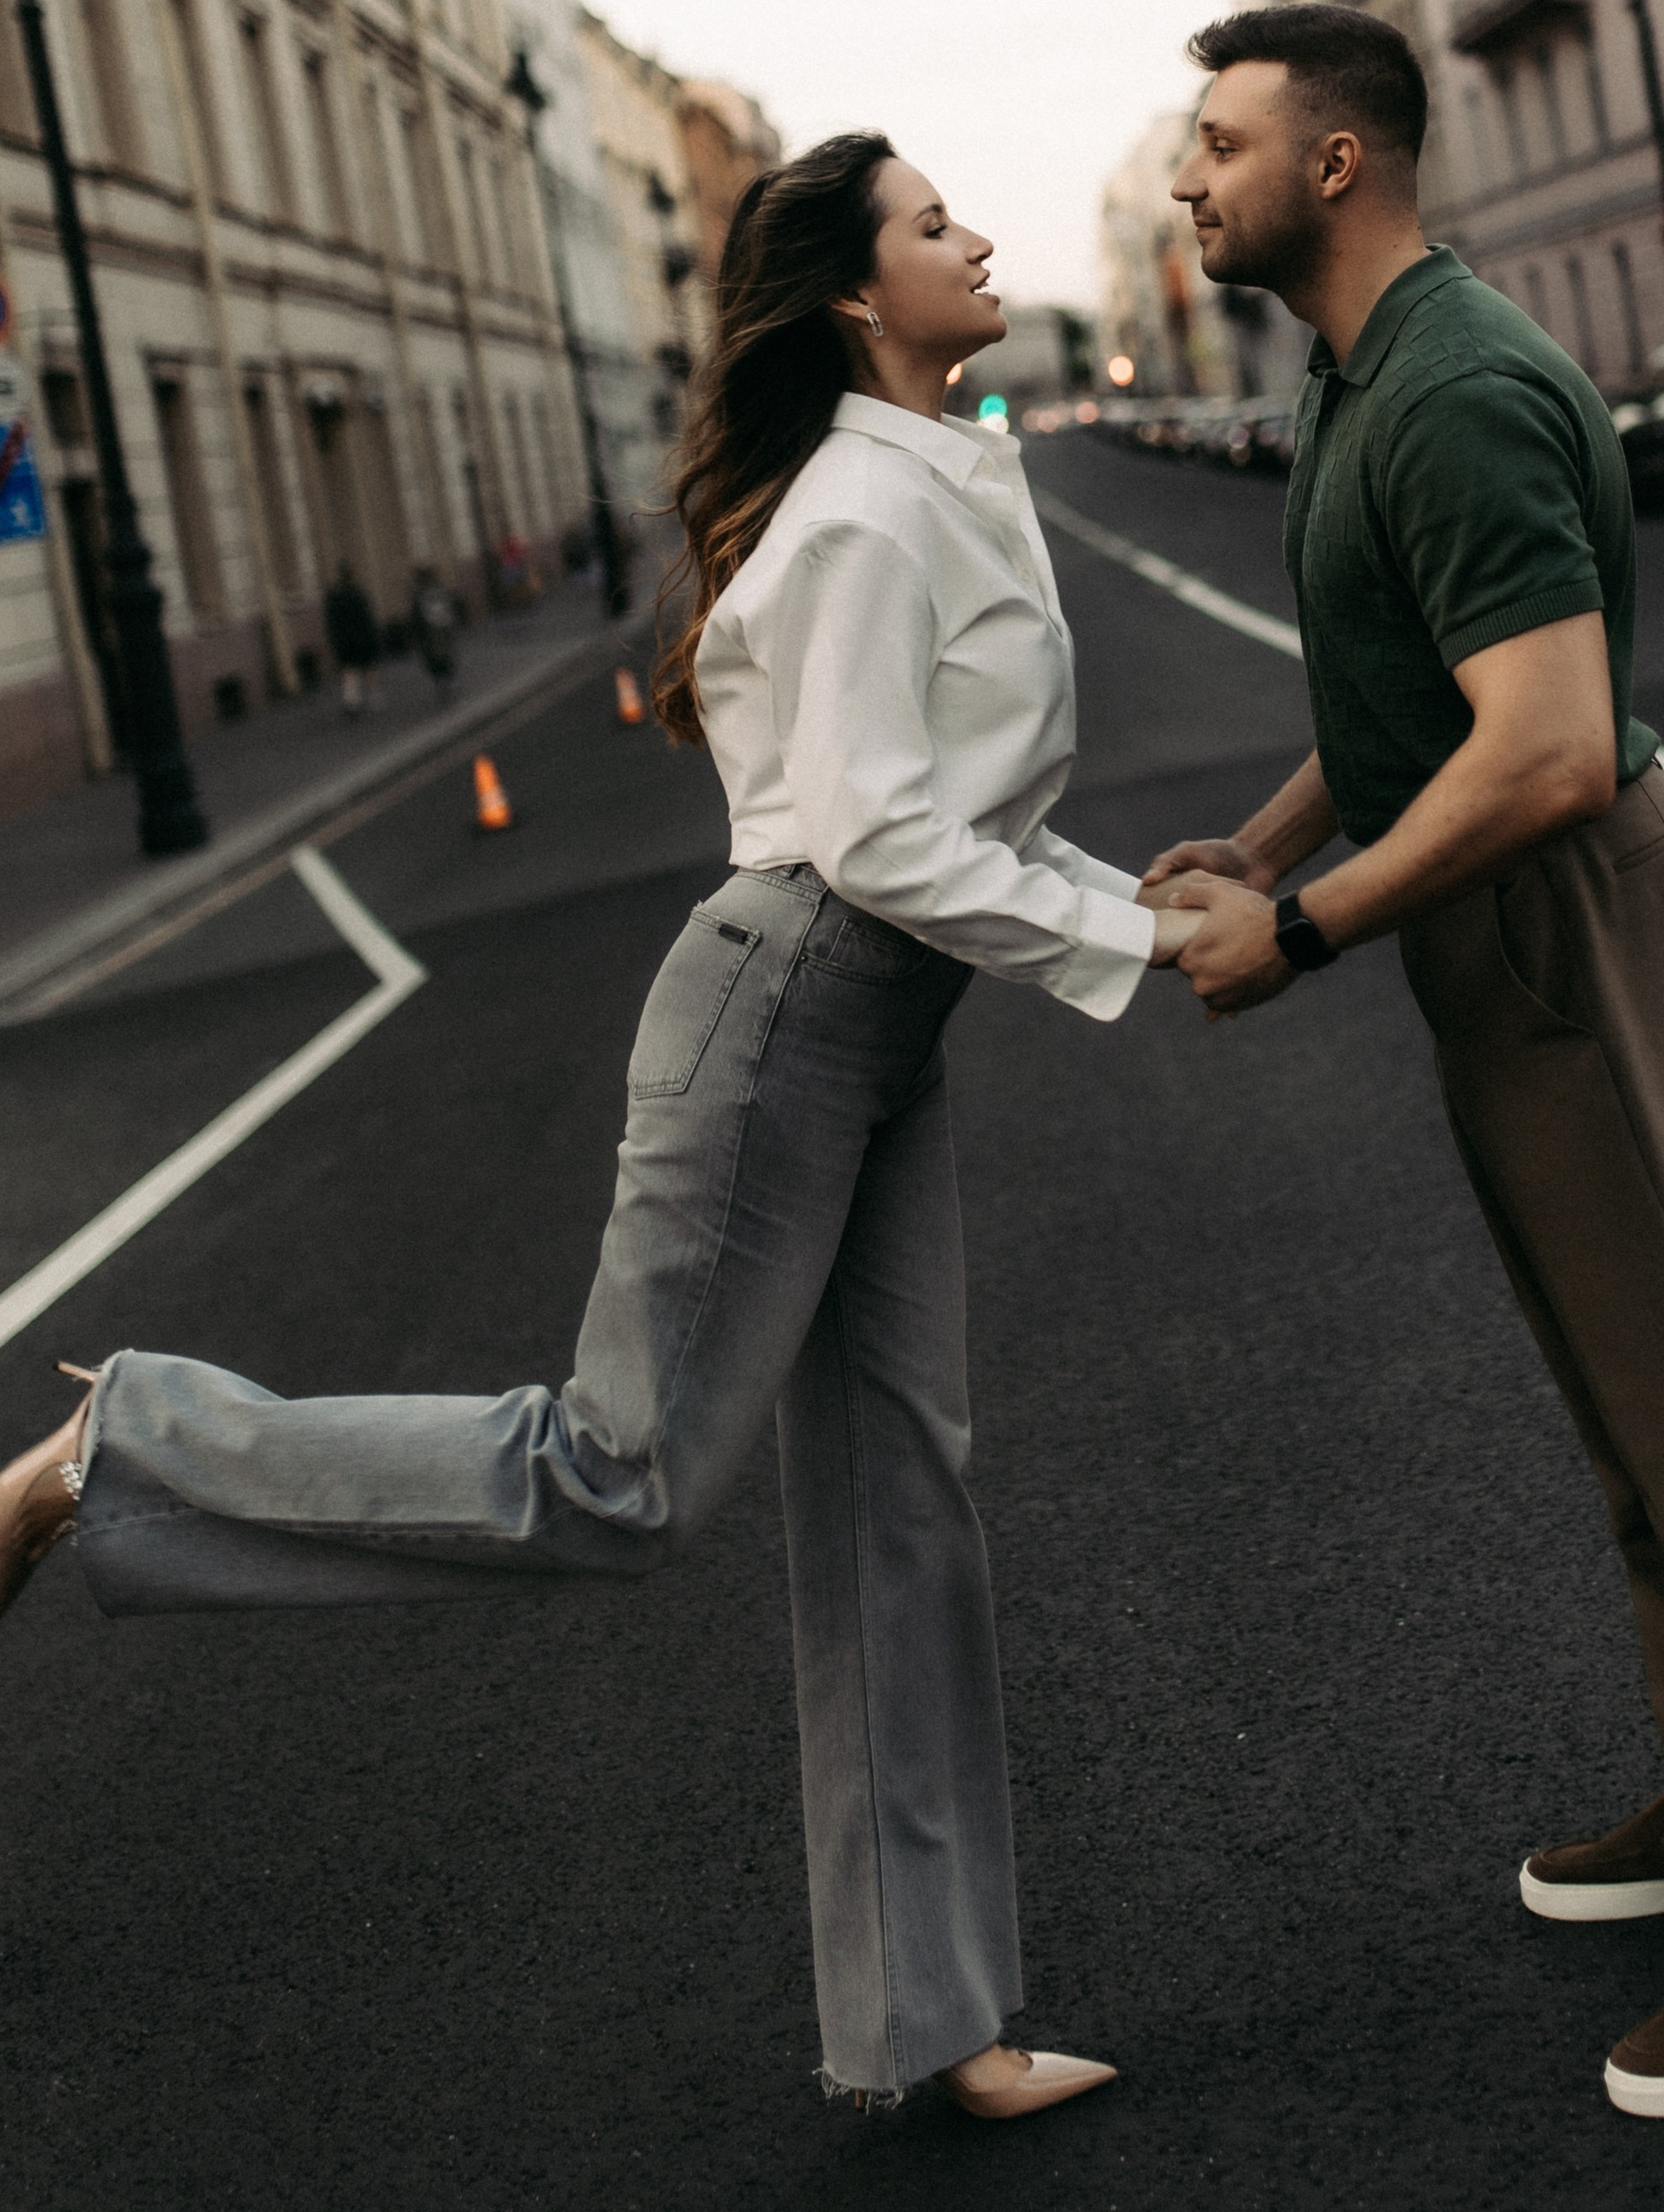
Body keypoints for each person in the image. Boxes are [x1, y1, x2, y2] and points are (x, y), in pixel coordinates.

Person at [0, 133, 1201, 2126]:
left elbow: (950, 811)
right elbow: (875, 840)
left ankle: (939, 2020)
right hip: (793, 1005)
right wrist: (1139, 943)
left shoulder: (922, 473)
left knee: (902, 1498)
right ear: (852, 293)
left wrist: (1143, 901)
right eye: (932, 224)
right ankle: (115, 1451)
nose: (977, 237)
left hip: (876, 1013)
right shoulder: (856, 513)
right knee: (614, 1476)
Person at [1144, 4, 1664, 2122]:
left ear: (1331, 163)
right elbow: (1413, 689)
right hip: (1489, 919)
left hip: (1557, 908)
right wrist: (1267, 845)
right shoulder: (1354, 374)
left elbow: (1550, 746)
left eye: (1216, 142)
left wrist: (1301, 927)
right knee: (1618, 1400)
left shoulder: (1457, 389)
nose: (1183, 178)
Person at [323, 562, 381, 715]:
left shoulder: (335, 597)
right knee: (369, 667)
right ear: (353, 576)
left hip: (345, 639)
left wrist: (334, 640)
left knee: (349, 669)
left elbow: (332, 622)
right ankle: (374, 697)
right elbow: (367, 618)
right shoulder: (359, 595)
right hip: (363, 637)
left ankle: (352, 699)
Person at [412, 568, 459, 698]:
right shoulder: (441, 591)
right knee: (446, 655)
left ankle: (440, 682)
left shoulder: (419, 596)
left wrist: (416, 635)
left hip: (429, 634)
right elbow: (451, 609)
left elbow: (416, 617)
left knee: (434, 658)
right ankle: (448, 680)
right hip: (444, 630)